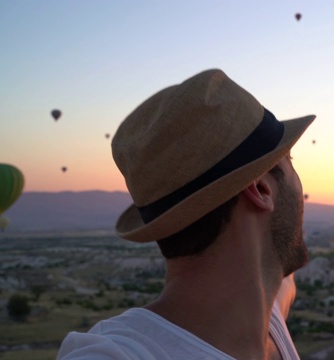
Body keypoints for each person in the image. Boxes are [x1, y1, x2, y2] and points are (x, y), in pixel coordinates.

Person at [57, 69, 315, 359]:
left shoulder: (267, 319)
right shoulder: (119, 354)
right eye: (289, 161)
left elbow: (282, 284)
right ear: (261, 189)